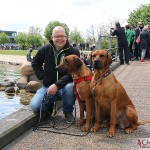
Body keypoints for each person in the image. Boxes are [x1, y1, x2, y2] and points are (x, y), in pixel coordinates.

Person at [30, 26, 80, 123]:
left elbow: (74, 72)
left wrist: (57, 85)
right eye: (56, 36)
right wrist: (42, 77)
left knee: (70, 87)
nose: (60, 39)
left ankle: (68, 112)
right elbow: (35, 63)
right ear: (51, 37)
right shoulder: (44, 49)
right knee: (35, 106)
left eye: (62, 36)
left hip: (65, 86)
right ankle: (51, 105)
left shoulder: (74, 51)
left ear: (66, 37)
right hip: (47, 86)